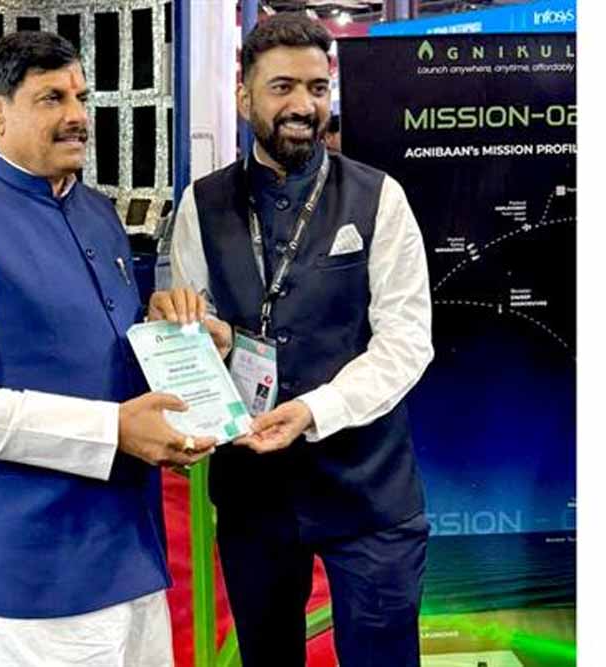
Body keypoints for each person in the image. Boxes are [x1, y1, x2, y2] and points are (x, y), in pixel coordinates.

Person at [0, 30, 229, 666]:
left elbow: (100, 359)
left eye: (81, 96)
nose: (78, 115)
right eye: (51, 98)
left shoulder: (97, 213)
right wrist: (113, 430)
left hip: (134, 556)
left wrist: (178, 340)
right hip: (33, 582)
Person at [166, 14, 434, 667]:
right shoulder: (201, 205)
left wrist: (315, 410)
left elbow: (407, 341)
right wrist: (203, 340)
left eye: (317, 88)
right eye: (282, 87)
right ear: (244, 97)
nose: (303, 106)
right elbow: (194, 328)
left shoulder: (380, 198)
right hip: (253, 495)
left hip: (369, 491)